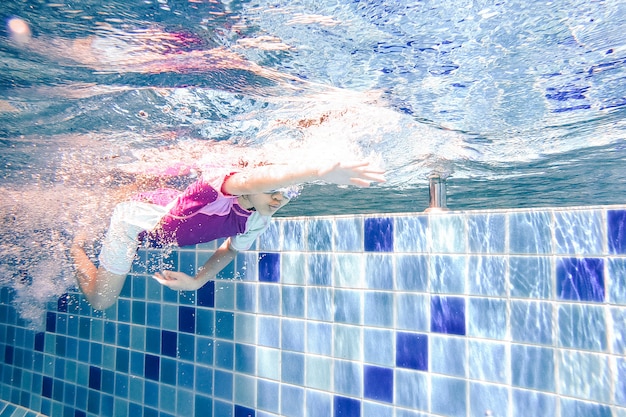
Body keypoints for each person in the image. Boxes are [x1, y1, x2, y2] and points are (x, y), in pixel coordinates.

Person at [71, 160, 385, 310]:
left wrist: (198, 280)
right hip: (132, 221)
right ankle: (74, 246)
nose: (278, 199)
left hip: (157, 224)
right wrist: (317, 170)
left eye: (288, 193)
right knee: (102, 301)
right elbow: (257, 179)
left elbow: (232, 250)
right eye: (273, 190)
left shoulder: (257, 219)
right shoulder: (219, 187)